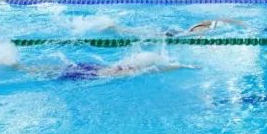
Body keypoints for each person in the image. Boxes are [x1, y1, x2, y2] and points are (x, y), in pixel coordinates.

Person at [13, 58, 198, 80]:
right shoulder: (131, 71)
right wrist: (182, 66)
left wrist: (181, 65)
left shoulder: (130, 68)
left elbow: (156, 68)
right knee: (51, 71)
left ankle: (23, 68)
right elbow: (156, 69)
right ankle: (22, 69)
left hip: (94, 69)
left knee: (53, 70)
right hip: (91, 73)